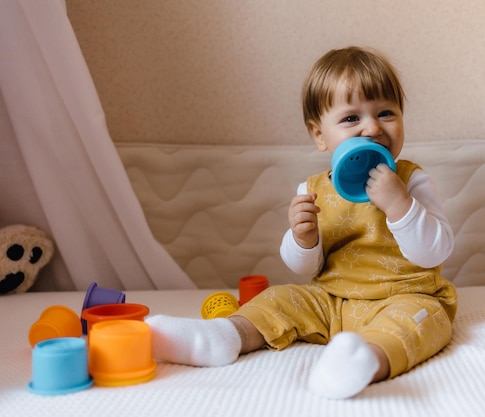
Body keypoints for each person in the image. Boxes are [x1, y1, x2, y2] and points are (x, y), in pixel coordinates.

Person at [146, 46, 457, 399]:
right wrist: (303, 238)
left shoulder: (411, 180)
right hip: (330, 300)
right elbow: (303, 268)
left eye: (386, 113)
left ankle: (362, 360)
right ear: (320, 135)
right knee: (280, 299)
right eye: (351, 118)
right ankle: (223, 336)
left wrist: (401, 204)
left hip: (402, 296)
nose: (372, 128)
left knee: (424, 320)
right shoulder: (313, 188)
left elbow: (434, 252)